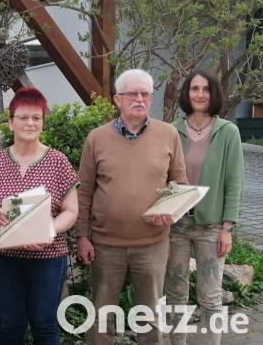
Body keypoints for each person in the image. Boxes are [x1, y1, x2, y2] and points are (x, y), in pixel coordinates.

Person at [76, 68, 187, 345]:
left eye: (145, 94)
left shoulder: (169, 134)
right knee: (102, 318)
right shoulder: (96, 139)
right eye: (132, 94)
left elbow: (180, 184)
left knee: (149, 319)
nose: (139, 99)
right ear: (117, 99)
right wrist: (82, 237)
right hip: (105, 245)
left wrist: (171, 210)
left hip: (152, 244)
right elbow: (84, 192)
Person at [0, 87, 80, 345]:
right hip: (5, 258)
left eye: (36, 117)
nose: (30, 123)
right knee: (9, 326)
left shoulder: (58, 162)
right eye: (23, 117)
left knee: (45, 325)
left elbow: (71, 211)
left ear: (43, 122)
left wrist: (48, 231)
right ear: (10, 122)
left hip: (47, 257)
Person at [165, 70, 244, 345]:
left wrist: (227, 228)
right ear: (187, 94)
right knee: (176, 295)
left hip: (211, 227)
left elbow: (234, 182)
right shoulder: (171, 130)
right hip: (176, 226)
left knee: (210, 297)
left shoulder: (228, 132)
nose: (200, 94)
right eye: (194, 89)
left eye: (206, 89)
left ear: (214, 95)